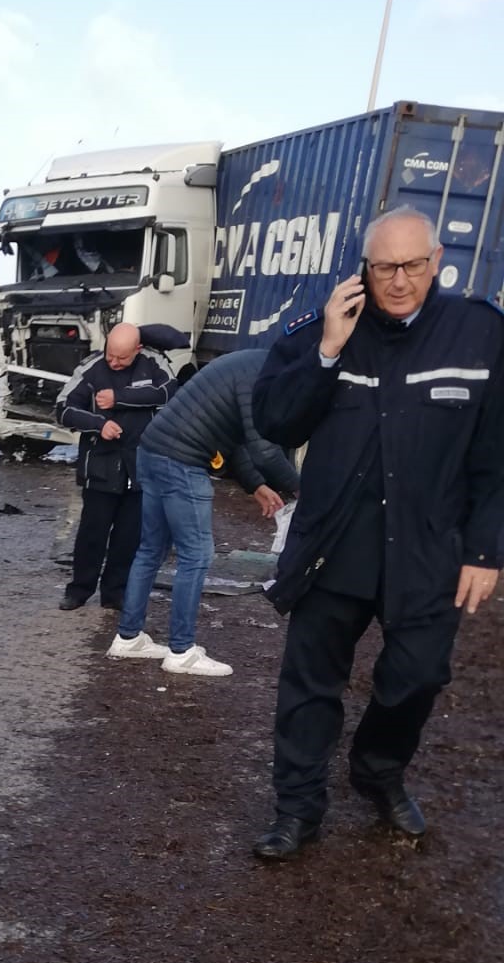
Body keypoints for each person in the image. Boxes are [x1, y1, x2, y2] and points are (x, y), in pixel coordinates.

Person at [248, 208, 504, 861]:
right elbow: (275, 420)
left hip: (427, 547)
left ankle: (378, 770)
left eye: (412, 265)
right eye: (383, 266)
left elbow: (495, 456)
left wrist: (484, 549)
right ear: (366, 266)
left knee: (417, 679)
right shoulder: (325, 325)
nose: (397, 281)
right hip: (336, 545)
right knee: (309, 686)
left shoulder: (477, 334)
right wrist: (328, 349)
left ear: (436, 259)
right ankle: (297, 809)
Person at [106, 349, 299, 676]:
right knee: (196, 555)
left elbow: (235, 439)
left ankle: (129, 638)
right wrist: (303, 489)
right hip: (181, 461)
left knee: (151, 549)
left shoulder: (248, 364)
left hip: (152, 450)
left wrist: (256, 486)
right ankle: (181, 652)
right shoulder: (262, 378)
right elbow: (265, 451)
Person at [55, 324, 178, 611]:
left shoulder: (154, 363)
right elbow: (63, 409)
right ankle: (79, 590)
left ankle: (114, 592)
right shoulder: (92, 368)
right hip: (100, 465)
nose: (114, 362)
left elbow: (169, 393)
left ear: (137, 349)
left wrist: (119, 397)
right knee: (92, 534)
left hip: (140, 467)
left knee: (128, 537)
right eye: (111, 354)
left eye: (121, 358)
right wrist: (98, 424)